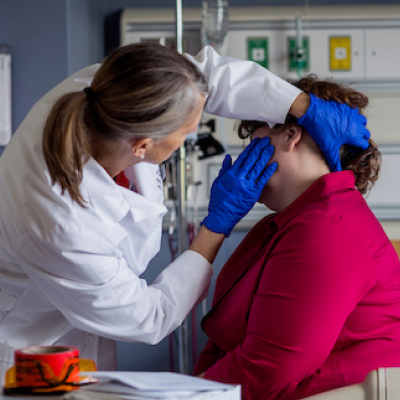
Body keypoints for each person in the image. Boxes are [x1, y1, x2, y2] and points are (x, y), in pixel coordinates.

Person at [0, 42, 370, 383]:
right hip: (28, 342)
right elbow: (149, 317)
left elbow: (198, 80)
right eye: (186, 132)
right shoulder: (60, 222)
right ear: (143, 145)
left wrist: (303, 105)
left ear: (292, 136)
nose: (194, 132)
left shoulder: (112, 91)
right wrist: (216, 225)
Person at [193, 75, 400, 400]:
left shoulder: (330, 226)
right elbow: (220, 339)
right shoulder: (282, 225)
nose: (247, 153)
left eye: (255, 139)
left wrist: (184, 392)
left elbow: (270, 368)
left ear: (290, 135)